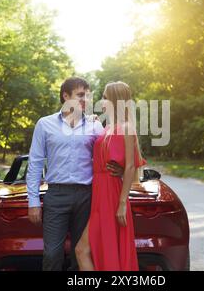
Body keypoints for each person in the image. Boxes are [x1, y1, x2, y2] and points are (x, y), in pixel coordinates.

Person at [26, 77, 123, 271]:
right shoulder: (45, 125)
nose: (85, 99)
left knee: (81, 254)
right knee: (52, 254)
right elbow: (35, 163)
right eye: (80, 95)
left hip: (87, 196)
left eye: (87, 95)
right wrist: (33, 201)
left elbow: (110, 153)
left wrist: (120, 168)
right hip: (56, 195)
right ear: (65, 96)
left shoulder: (95, 125)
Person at [75, 81, 146, 271]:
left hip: (111, 196)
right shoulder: (108, 127)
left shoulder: (126, 127)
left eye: (105, 98)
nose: (102, 101)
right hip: (99, 193)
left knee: (83, 249)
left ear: (115, 100)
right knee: (88, 250)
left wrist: (122, 203)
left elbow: (131, 166)